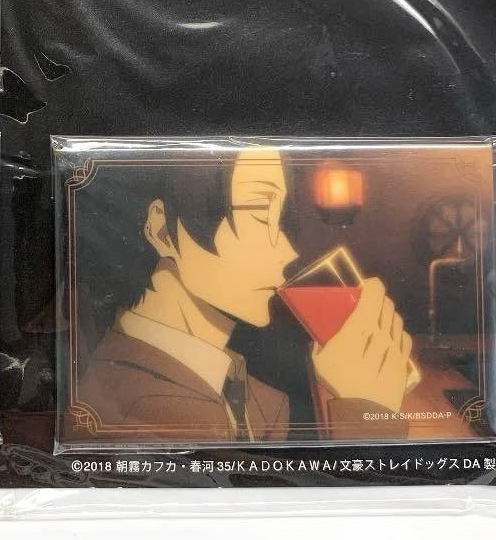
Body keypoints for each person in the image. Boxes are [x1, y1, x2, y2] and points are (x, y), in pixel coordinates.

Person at [72, 148, 415, 442]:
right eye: (257, 213)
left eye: (281, 219)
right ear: (162, 230)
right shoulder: (139, 409)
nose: (287, 251)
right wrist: (366, 409)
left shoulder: (255, 398)